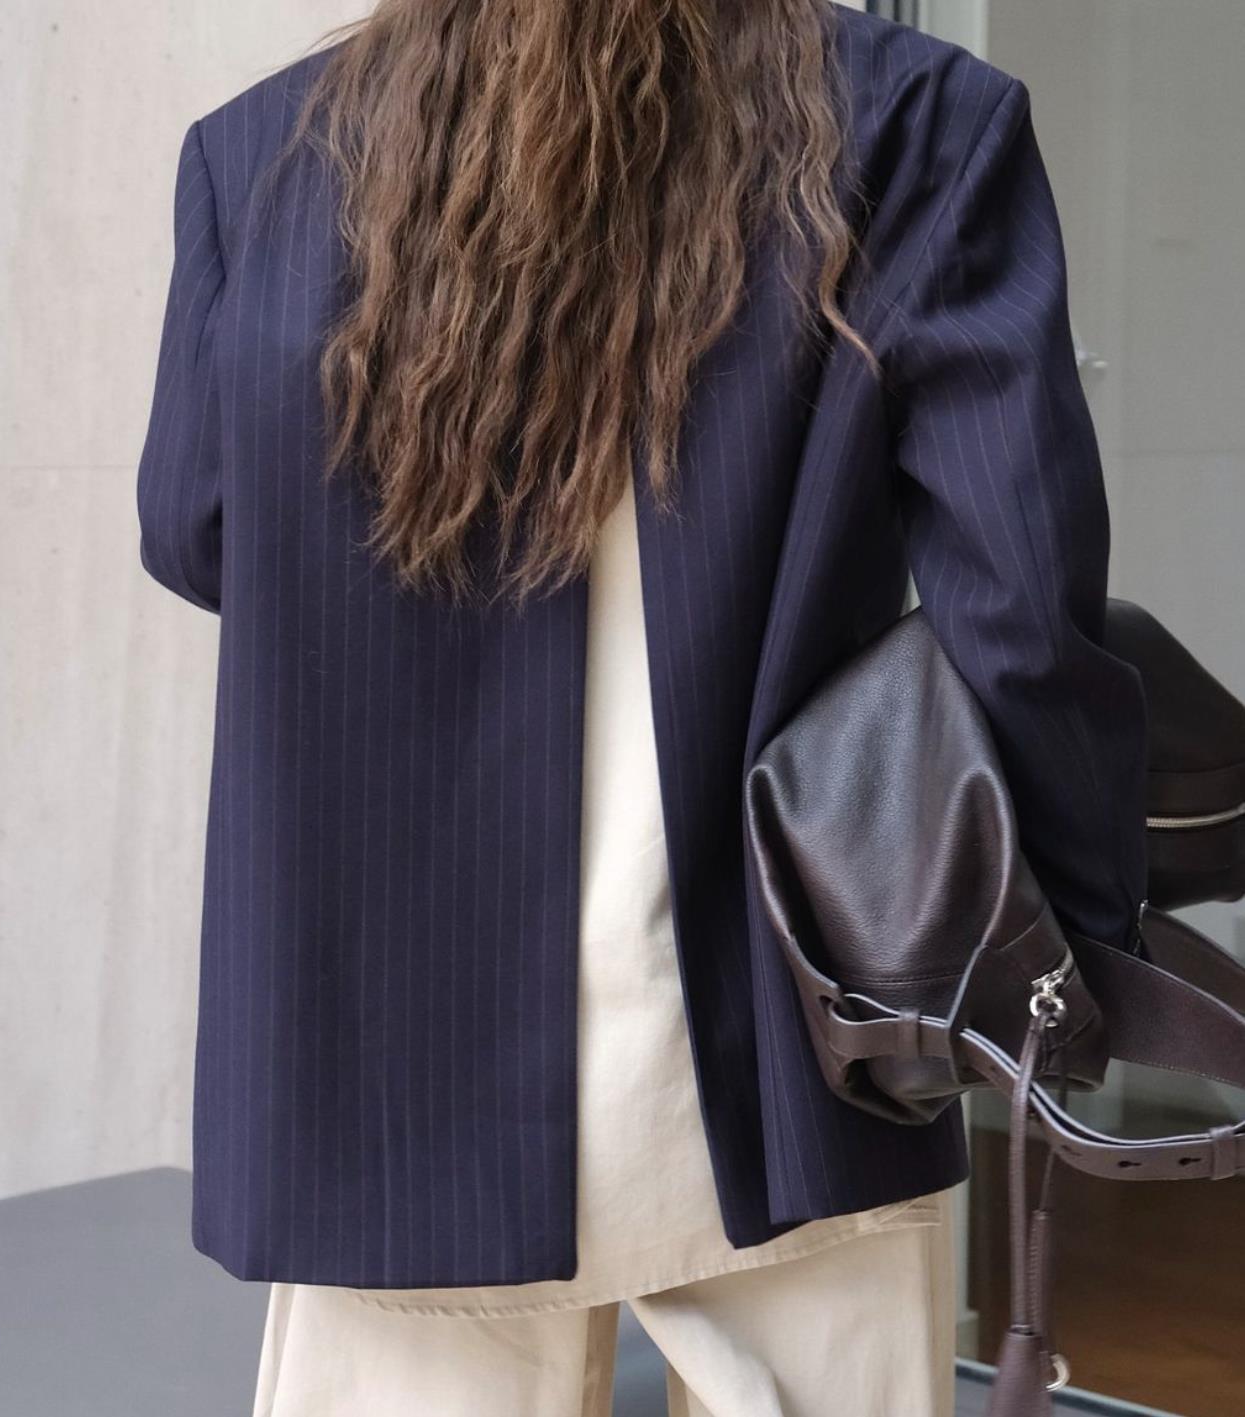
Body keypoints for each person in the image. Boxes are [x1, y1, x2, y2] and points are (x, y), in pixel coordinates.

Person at [134, 1, 1149, 1413]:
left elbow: (198, 531)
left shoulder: (262, 159)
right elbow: (1022, 611)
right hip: (797, 1045)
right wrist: (1073, 946)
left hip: (396, 1072)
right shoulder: (911, 121)